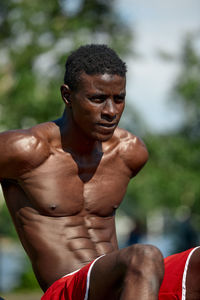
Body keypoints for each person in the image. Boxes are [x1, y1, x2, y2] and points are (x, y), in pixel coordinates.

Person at [1, 44, 199, 299]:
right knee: (145, 254)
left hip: (126, 283)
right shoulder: (24, 150)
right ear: (67, 96)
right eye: (97, 99)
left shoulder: (130, 153)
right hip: (66, 290)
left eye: (119, 99)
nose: (111, 111)